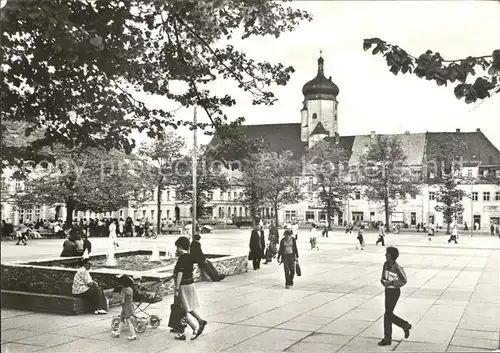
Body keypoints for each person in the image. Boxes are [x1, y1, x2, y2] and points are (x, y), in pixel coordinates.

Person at [173, 236, 207, 341]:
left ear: (180, 247)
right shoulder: (190, 257)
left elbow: (180, 274)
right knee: (186, 308)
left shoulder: (182, 258)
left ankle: (195, 328)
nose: (176, 250)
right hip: (190, 284)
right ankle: (195, 324)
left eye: (177, 247)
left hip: (183, 285)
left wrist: (176, 288)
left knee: (182, 310)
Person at [378, 246, 411, 346]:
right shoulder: (385, 264)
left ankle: (388, 338)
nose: (385, 255)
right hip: (387, 291)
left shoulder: (397, 267)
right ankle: (404, 326)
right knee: (388, 314)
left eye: (387, 253)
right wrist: (383, 282)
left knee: (387, 314)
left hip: (394, 292)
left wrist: (392, 282)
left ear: (391, 255)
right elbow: (383, 277)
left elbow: (404, 280)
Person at [112, 275, 136, 340]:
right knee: (122, 319)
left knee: (128, 321)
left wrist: (118, 302)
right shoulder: (130, 289)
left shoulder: (123, 290)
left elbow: (122, 301)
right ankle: (118, 332)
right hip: (130, 305)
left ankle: (133, 335)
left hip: (125, 307)